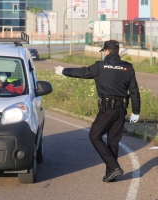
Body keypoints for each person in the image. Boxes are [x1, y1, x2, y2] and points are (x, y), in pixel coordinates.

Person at [55, 40, 141, 182]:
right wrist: (136, 111)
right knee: (113, 141)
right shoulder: (128, 67)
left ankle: (114, 167)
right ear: (117, 52)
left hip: (107, 109)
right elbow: (134, 92)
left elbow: (81, 72)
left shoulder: (100, 66)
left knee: (94, 136)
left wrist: (63, 71)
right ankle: (111, 174)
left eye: (104, 51)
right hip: (121, 109)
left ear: (106, 51)